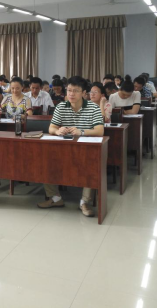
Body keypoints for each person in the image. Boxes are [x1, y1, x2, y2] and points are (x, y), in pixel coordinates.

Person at [37, 76, 104, 217]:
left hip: (86, 151)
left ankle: (84, 202)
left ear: (84, 93)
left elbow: (100, 130)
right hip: (64, 149)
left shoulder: (93, 108)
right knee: (45, 161)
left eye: (76, 91)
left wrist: (82, 132)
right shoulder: (61, 106)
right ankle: (55, 198)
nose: (71, 94)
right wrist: (58, 131)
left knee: (92, 164)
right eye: (69, 90)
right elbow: (51, 128)